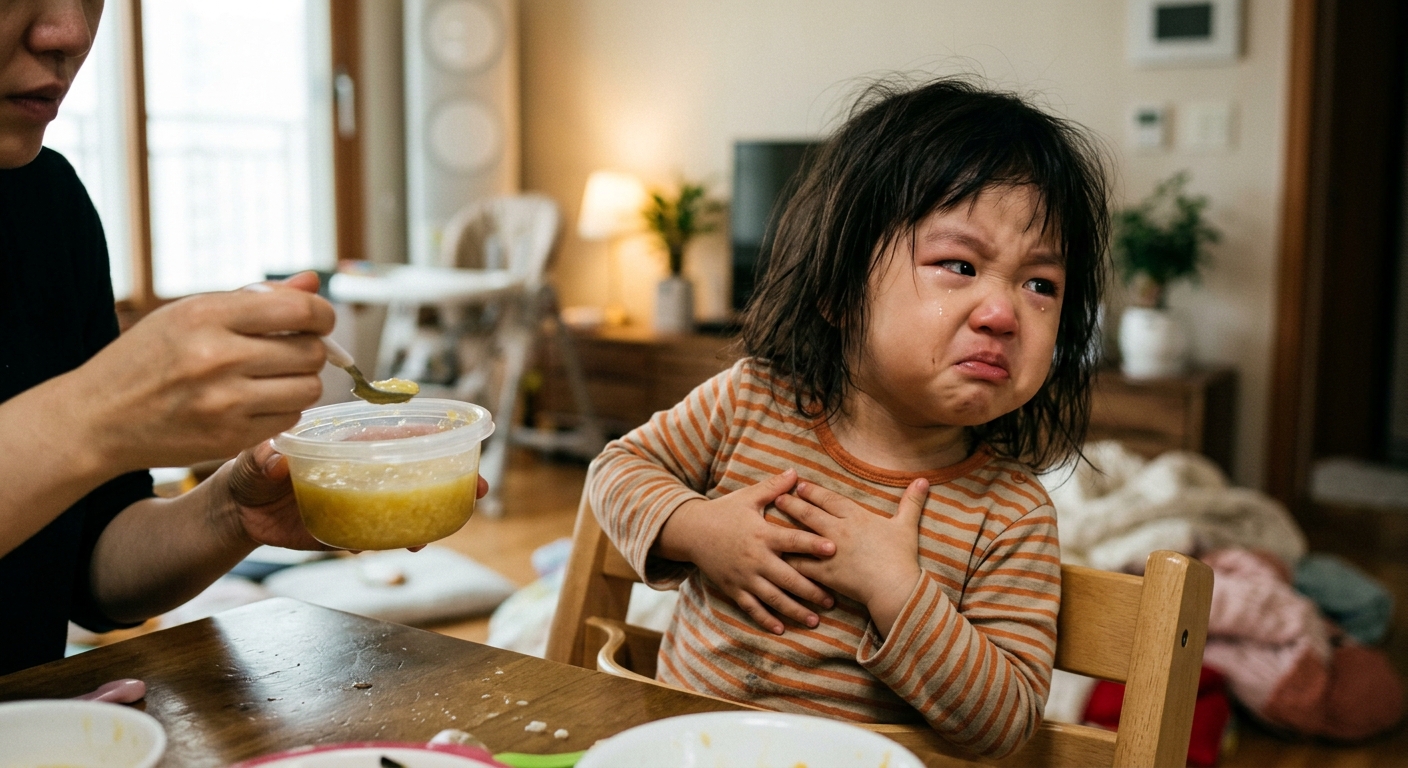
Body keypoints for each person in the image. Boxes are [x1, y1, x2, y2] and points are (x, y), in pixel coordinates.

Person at [589, 77, 1109, 759]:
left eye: (1041, 284)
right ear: (838, 291)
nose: (1003, 312)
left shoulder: (1011, 514)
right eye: (959, 264)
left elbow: (1005, 722)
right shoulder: (751, 401)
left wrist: (894, 589)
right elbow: (616, 470)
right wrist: (700, 528)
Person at [0, 0, 485, 676]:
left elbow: (96, 579)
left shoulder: (49, 205)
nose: (71, 32)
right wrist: (96, 417)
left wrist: (233, 512)